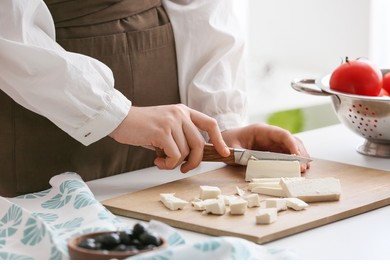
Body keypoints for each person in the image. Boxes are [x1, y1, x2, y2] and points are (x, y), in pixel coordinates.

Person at [0, 0, 309, 197]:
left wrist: (220, 128)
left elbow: (203, 7)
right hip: (43, 117)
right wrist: (112, 113)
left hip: (170, 130)